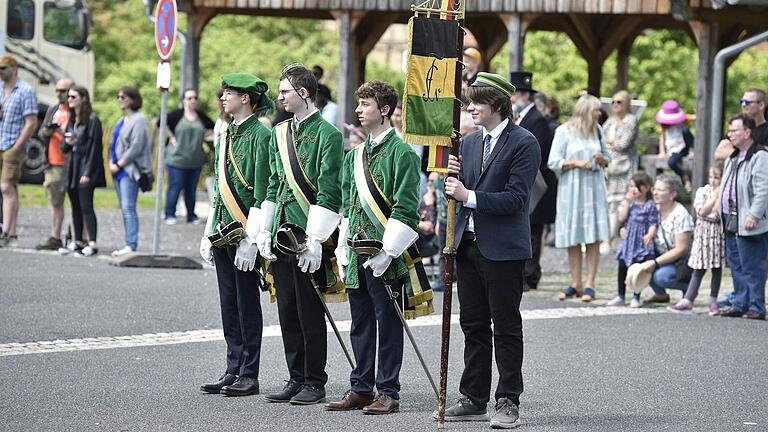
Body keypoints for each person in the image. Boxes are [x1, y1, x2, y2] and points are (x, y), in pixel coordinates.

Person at [439, 72, 540, 429]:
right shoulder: (467, 143)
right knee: (473, 325)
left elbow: (516, 198)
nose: (470, 108)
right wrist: (452, 183)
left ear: (496, 104)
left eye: (476, 102)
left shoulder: (524, 142)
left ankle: (508, 399)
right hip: (467, 246)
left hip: (504, 249)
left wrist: (469, 194)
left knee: (506, 327)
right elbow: (457, 195)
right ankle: (474, 397)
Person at [325, 80, 420, 415]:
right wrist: (342, 247)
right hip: (355, 253)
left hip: (385, 255)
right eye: (358, 104)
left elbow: (406, 207)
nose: (358, 111)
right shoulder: (353, 156)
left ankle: (388, 391)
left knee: (388, 323)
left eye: (365, 105)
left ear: (384, 110)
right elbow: (348, 205)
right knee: (361, 322)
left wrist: (388, 251)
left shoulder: (403, 153)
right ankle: (361, 387)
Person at [256, 63, 343, 405]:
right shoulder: (279, 132)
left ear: (304, 93)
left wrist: (317, 239)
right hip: (282, 233)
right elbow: (276, 183)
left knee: (310, 310)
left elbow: (329, 191)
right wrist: (265, 228)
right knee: (287, 308)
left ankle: (314, 380)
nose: (279, 98)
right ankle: (295, 376)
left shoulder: (329, 135)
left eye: (285, 92)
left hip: (309, 234)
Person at [198, 73, 274, 397]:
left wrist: (251, 238)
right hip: (222, 231)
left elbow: (262, 189)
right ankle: (232, 367)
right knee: (228, 302)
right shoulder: (226, 133)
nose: (223, 97)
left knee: (246, 302)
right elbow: (219, 189)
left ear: (246, 98)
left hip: (245, 231)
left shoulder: (261, 134)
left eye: (229, 93)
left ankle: (249, 372)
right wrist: (207, 230)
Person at [548, 94, 611, 302]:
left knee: (592, 235)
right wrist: (575, 163)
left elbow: (608, 157)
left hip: (593, 188)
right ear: (585, 110)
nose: (600, 114)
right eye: (596, 110)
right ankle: (575, 282)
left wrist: (602, 159)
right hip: (571, 188)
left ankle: (590, 283)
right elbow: (553, 161)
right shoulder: (564, 131)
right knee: (572, 235)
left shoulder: (598, 131)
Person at [509, 71, 555, 292]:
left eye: (514, 93)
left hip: (537, 183)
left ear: (524, 95)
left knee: (534, 231)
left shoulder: (537, 120)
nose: (511, 98)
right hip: (526, 181)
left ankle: (531, 274)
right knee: (526, 229)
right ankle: (523, 272)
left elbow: (540, 152)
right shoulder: (524, 118)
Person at [719, 114, 768, 320]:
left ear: (747, 132)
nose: (729, 135)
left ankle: (757, 306)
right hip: (730, 218)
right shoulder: (732, 157)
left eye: (734, 131)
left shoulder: (760, 156)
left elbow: (763, 189)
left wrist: (755, 214)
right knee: (736, 263)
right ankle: (741, 302)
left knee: (752, 265)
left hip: (748, 219)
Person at [667, 164, 724, 315]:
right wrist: (714, 198)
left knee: (717, 269)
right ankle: (688, 300)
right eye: (711, 177)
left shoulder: (726, 193)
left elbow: (719, 216)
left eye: (717, 178)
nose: (713, 181)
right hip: (702, 236)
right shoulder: (702, 191)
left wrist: (712, 212)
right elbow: (701, 212)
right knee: (698, 269)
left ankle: (713, 300)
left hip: (717, 236)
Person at [633, 175, 693, 303]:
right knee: (639, 264)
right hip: (660, 256)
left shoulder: (680, 214)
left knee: (660, 276)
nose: (655, 193)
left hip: (680, 262)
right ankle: (660, 295)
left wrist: (655, 262)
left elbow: (681, 249)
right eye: (654, 189)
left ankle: (689, 288)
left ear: (672, 195)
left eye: (660, 190)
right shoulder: (654, 209)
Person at [60, 85, 105, 257]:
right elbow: (64, 146)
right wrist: (69, 142)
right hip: (72, 167)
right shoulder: (72, 120)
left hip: (84, 167)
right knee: (75, 206)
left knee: (86, 206)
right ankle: (78, 240)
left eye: (73, 97)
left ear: (83, 98)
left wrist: (87, 172)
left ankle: (92, 243)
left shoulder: (92, 120)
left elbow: (94, 148)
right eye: (68, 97)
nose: (69, 100)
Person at [0, 54, 38, 248]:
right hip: (0, 141)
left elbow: (31, 122)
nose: (1, 72)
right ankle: (10, 231)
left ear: (14, 69)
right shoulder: (1, 90)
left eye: (3, 68)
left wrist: (17, 146)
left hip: (12, 145)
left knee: (6, 187)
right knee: (9, 188)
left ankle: (7, 231)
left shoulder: (25, 91)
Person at [110, 85, 152, 257]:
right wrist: (110, 163)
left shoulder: (139, 119)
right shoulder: (121, 121)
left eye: (123, 97)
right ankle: (127, 242)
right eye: (118, 97)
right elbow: (113, 145)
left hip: (129, 170)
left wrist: (119, 164)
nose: (120, 100)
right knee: (123, 207)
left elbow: (136, 146)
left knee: (128, 207)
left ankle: (131, 244)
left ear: (133, 100)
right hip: (117, 170)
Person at [163, 88, 215, 225]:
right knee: (175, 186)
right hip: (176, 159)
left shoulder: (201, 117)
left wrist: (205, 136)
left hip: (195, 160)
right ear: (183, 100)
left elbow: (214, 127)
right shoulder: (177, 115)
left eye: (195, 98)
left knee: (191, 189)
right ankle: (169, 213)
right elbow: (160, 122)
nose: (193, 100)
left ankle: (191, 215)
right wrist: (171, 137)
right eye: (189, 98)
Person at [607, 173, 658, 307]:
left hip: (641, 240)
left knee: (638, 270)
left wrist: (650, 235)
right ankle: (621, 295)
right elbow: (622, 218)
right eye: (631, 186)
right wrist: (627, 203)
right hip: (629, 240)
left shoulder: (650, 205)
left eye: (636, 186)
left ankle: (636, 296)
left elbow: (654, 222)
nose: (633, 189)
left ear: (646, 188)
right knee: (622, 266)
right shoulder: (629, 203)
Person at [36, 78, 73, 250]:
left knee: (78, 203)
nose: (59, 94)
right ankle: (55, 236)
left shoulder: (77, 111)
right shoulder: (53, 110)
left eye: (63, 90)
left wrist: (60, 130)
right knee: (55, 202)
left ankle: (80, 238)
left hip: (71, 163)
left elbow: (78, 136)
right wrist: (47, 131)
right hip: (52, 161)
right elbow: (42, 133)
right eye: (57, 90)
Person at [603, 90, 639, 253]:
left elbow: (624, 143)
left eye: (619, 102)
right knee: (609, 202)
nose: (616, 105)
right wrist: (611, 143)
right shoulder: (609, 121)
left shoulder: (631, 120)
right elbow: (602, 140)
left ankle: (611, 238)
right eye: (613, 102)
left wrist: (611, 143)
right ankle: (607, 238)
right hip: (609, 168)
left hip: (624, 168)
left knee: (622, 202)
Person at [715, 88, 767, 160]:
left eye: (747, 102)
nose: (743, 105)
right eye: (742, 101)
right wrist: (746, 154)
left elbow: (764, 157)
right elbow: (718, 153)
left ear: (761, 105)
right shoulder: (737, 128)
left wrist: (734, 154)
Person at [656, 100, 694, 186]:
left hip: (683, 147)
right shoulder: (664, 127)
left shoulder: (684, 123)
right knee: (671, 163)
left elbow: (694, 117)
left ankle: (693, 151)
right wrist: (662, 151)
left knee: (685, 130)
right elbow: (662, 138)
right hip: (673, 149)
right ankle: (683, 175)